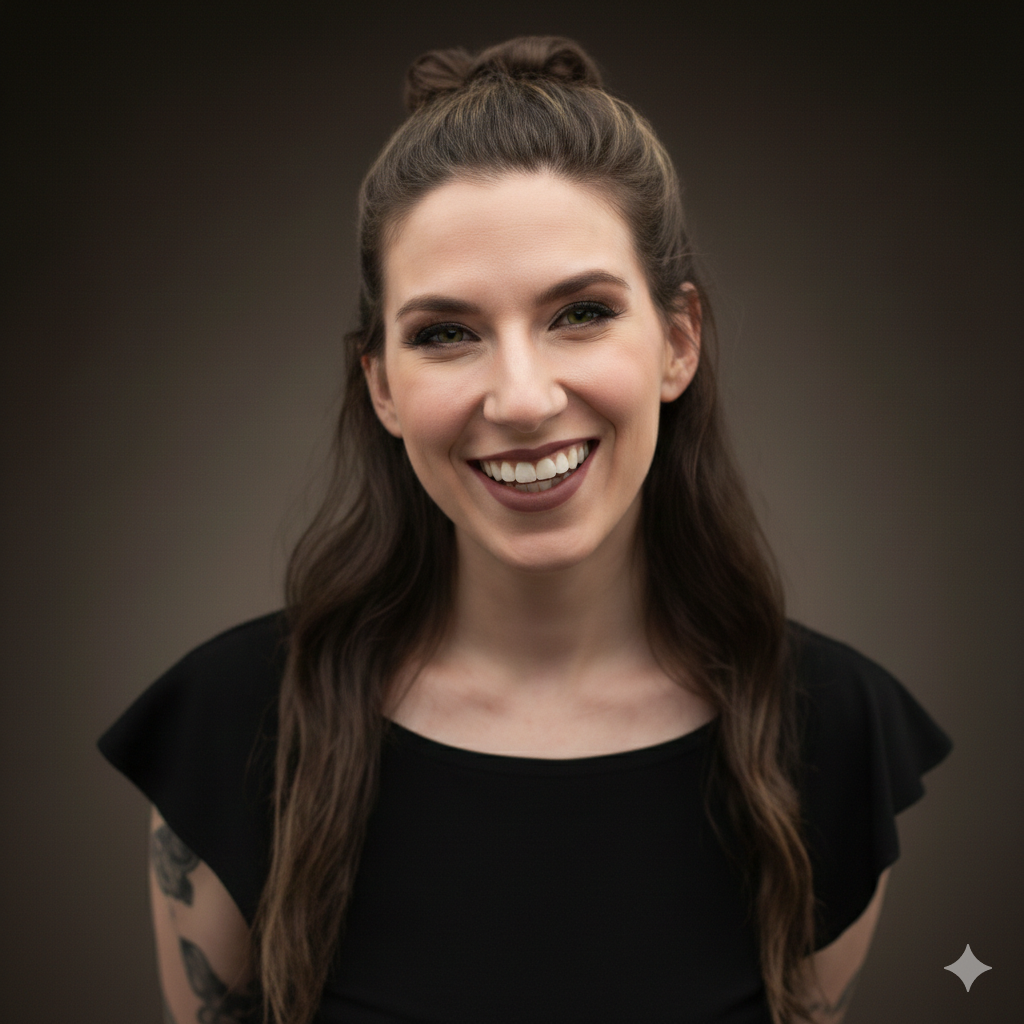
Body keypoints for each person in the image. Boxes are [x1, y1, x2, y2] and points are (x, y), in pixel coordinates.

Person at [99, 36, 953, 1024]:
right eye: (446, 333)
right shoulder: (230, 724)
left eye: (580, 313)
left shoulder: (835, 732)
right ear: (380, 383)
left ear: (677, 341)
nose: (520, 396)